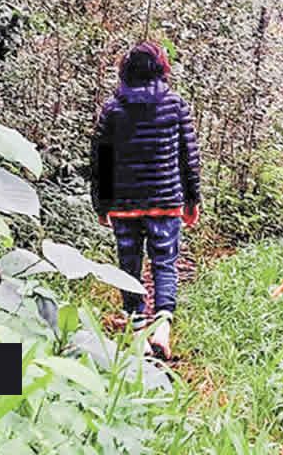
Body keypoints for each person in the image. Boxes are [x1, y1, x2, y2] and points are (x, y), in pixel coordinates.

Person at [90, 41, 201, 359]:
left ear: (126, 71)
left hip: (124, 205)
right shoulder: (175, 105)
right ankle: (162, 330)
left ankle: (138, 332)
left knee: (129, 266)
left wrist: (102, 203)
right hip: (165, 201)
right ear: (161, 69)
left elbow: (101, 159)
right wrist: (192, 200)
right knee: (165, 263)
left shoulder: (113, 109)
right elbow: (188, 158)